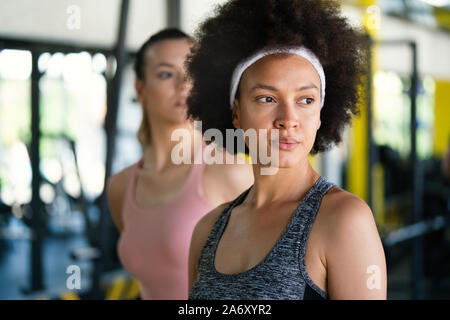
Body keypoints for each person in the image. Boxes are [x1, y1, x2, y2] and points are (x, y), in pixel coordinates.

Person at [187, 0, 387, 300]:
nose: (288, 120)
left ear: (322, 113)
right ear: (236, 113)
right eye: (267, 98)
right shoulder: (207, 231)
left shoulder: (344, 220)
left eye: (305, 100)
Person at [106, 28, 253, 300]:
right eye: (165, 74)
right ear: (140, 89)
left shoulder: (231, 172)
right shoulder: (120, 186)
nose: (183, 84)